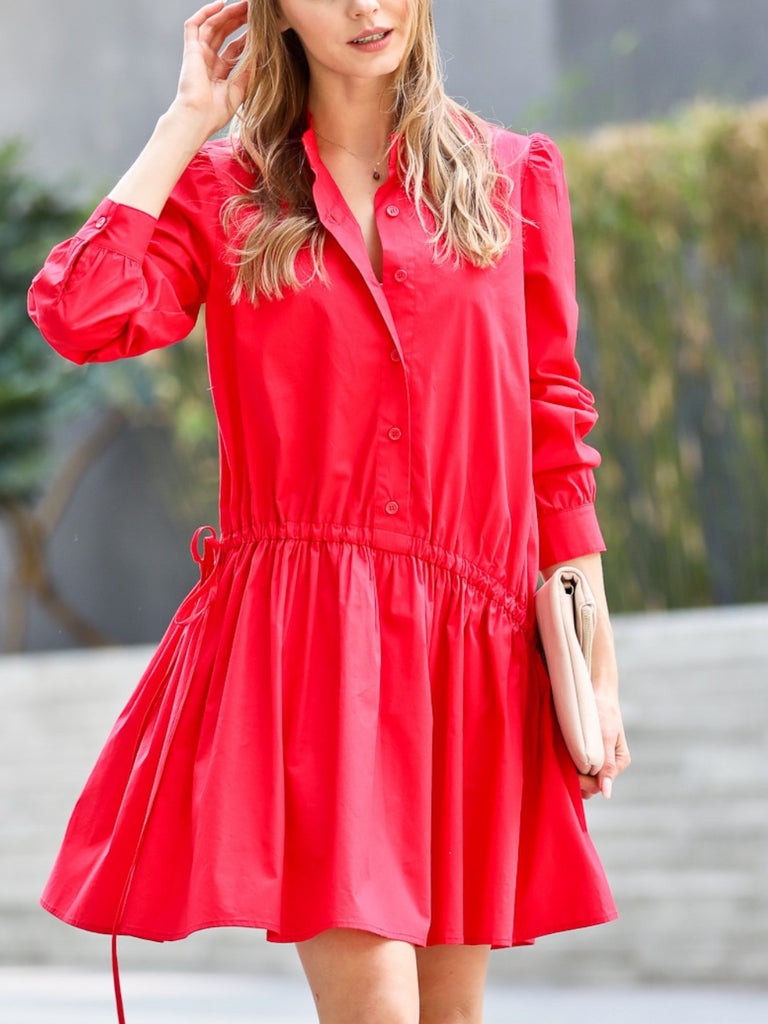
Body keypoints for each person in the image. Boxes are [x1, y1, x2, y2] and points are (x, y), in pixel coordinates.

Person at [28, 2, 631, 1022]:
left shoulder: (514, 176)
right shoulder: (224, 191)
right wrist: (185, 120)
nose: (365, 6)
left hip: (470, 651)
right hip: (310, 651)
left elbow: (554, 427)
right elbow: (81, 313)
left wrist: (589, 652)